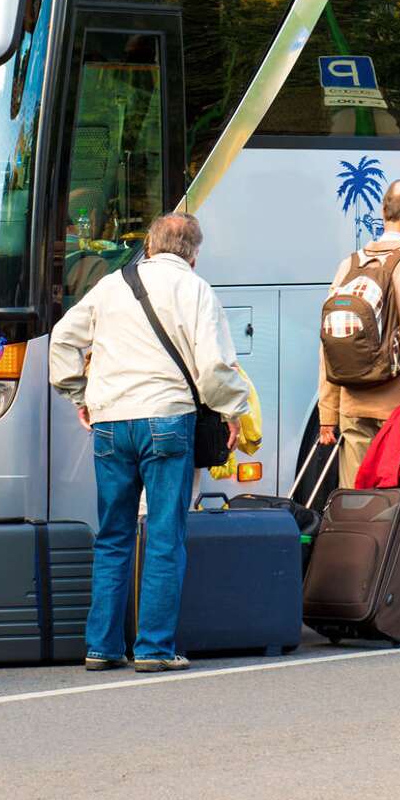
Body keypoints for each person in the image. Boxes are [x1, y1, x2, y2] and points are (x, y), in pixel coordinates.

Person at [49, 213, 250, 674]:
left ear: (151, 246)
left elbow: (63, 339)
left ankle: (101, 646)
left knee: (113, 535)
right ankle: (154, 648)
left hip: (111, 423)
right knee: (162, 536)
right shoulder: (196, 289)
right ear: (194, 254)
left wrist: (81, 394)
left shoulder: (110, 284)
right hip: (165, 420)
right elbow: (215, 366)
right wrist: (231, 410)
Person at [317, 177, 400, 487]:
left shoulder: (349, 264)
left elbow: (329, 344)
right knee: (391, 506)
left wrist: (328, 411)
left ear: (384, 212)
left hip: (352, 404)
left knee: (355, 501)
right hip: (395, 412)